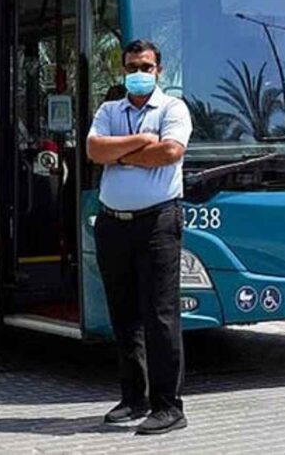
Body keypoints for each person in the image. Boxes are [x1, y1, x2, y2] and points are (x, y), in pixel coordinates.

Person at [86, 39, 193, 435]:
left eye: (146, 67)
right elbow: (94, 149)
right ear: (123, 69)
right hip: (113, 223)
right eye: (133, 66)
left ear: (158, 71)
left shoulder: (172, 108)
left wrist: (120, 155)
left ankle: (169, 406)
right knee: (124, 314)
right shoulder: (109, 109)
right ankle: (134, 399)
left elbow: (169, 153)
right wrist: (138, 145)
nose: (140, 72)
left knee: (161, 315)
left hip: (158, 223)